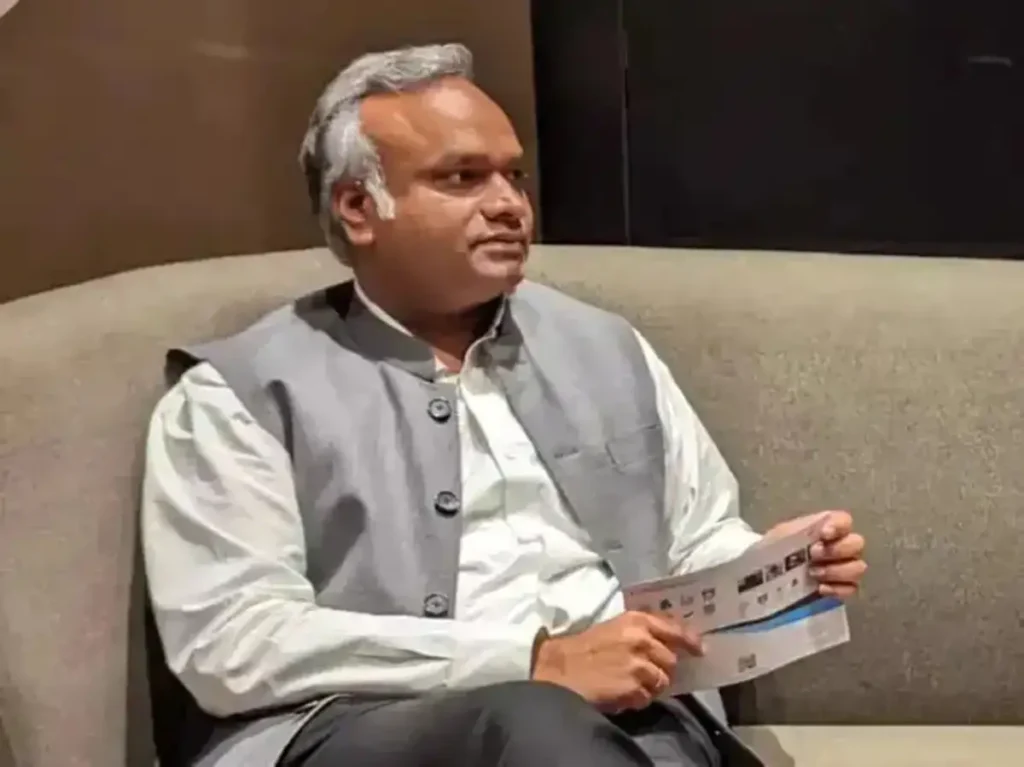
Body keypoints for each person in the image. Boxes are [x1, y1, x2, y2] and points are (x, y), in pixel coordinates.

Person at [141, 43, 867, 767]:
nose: (509, 205)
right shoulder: (238, 394)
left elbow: (692, 537)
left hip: (632, 719)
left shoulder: (606, 347)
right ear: (359, 208)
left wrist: (772, 568)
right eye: (462, 177)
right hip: (370, 732)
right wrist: (534, 660)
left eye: (514, 176)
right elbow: (232, 640)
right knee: (536, 720)